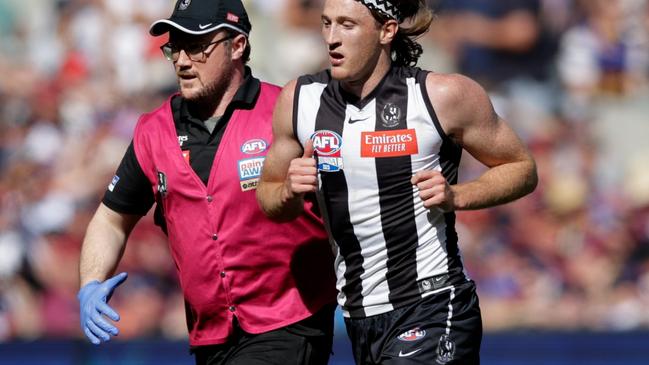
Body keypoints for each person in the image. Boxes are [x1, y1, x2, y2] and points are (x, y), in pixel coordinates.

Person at [256, 0, 538, 363]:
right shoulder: (300, 99)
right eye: (327, 24)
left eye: (347, 25)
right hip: (359, 316)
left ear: (387, 31)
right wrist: (289, 191)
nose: (331, 38)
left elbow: (521, 167)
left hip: (433, 303)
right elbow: (268, 195)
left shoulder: (440, 95)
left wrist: (458, 195)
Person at [77, 0, 337, 364]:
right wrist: (90, 282)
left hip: (289, 321)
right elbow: (111, 218)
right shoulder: (154, 131)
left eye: (197, 47)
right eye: (175, 47)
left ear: (238, 46)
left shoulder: (288, 111)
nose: (182, 61)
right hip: (209, 335)